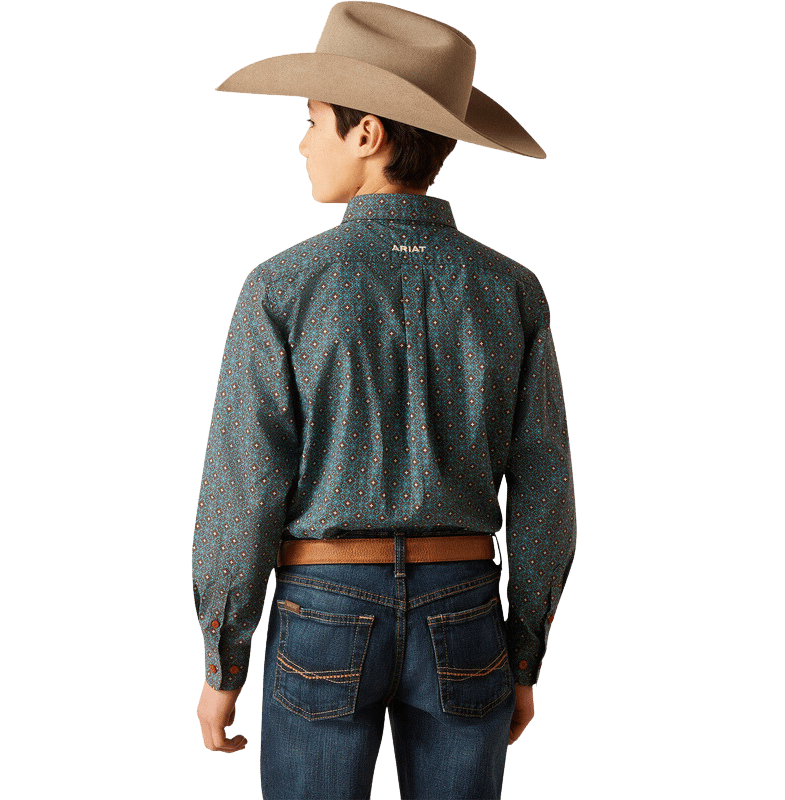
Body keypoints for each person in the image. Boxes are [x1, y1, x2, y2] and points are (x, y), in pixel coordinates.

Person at [192, 3, 577, 798]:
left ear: (366, 133)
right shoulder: (513, 290)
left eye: (311, 122)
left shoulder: (280, 287)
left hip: (321, 613)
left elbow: (244, 489)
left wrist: (224, 660)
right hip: (466, 613)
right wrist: (524, 654)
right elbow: (546, 490)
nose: (302, 143)